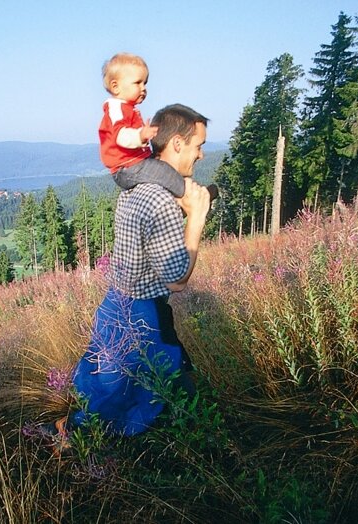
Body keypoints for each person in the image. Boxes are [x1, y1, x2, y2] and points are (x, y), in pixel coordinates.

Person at [65, 103, 212, 437]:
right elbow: (177, 280)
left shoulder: (137, 183)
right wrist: (197, 218)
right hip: (143, 316)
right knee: (118, 405)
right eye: (198, 145)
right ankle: (68, 437)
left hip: (117, 304)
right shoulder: (160, 200)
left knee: (116, 392)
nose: (201, 154)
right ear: (177, 143)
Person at [99, 53, 186, 198]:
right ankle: (188, 196)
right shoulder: (116, 109)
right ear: (116, 87)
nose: (143, 88)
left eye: (145, 83)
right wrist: (140, 136)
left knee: (163, 162)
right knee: (163, 172)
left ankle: (177, 196)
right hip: (126, 168)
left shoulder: (126, 108)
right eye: (137, 83)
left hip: (133, 164)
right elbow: (120, 135)